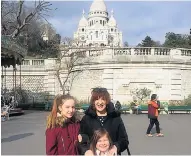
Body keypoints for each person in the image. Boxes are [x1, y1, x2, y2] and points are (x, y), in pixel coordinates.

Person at [79, 87, 129, 155]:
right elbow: (81, 140)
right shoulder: (87, 119)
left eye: (103, 99)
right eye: (97, 99)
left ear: (107, 101)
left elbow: (124, 140)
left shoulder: (115, 118)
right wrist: (86, 150)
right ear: (93, 102)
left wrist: (116, 147)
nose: (100, 102)